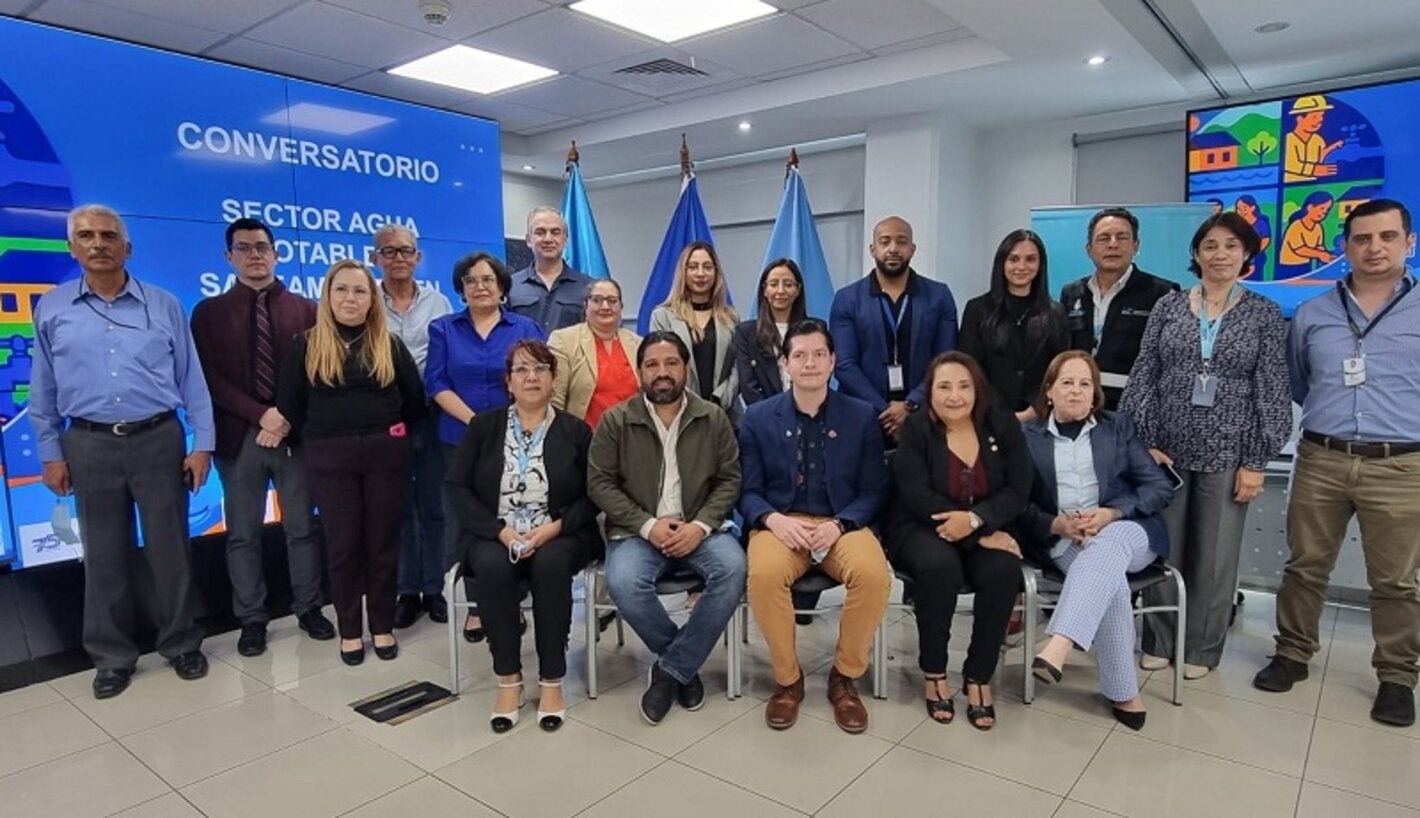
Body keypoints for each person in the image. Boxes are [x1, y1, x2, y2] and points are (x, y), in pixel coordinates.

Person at [31, 204, 214, 699]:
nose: (98, 244)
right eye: (86, 236)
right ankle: (112, 657)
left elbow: (191, 379)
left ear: (126, 247)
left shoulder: (164, 305)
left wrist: (204, 445)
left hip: (159, 438)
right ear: (72, 247)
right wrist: (50, 452)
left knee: (170, 550)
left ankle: (180, 643)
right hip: (87, 443)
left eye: (108, 235)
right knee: (104, 555)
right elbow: (42, 387)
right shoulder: (52, 308)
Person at [1254, 198, 1420, 728]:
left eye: (1387, 237)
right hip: (1322, 457)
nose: (1375, 248)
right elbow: (1301, 381)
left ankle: (1396, 677)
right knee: (1305, 566)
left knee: (1395, 580)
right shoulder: (1313, 313)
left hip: (1400, 465)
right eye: (1363, 239)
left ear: (1408, 243)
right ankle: (1293, 654)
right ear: (1344, 247)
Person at [1120, 212, 1290, 678]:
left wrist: (1256, 459)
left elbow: (1272, 389)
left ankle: (1199, 650)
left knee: (1214, 557)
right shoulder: (1169, 307)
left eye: (1232, 247)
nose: (1220, 255)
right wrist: (1144, 442)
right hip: (1166, 452)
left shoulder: (1263, 314)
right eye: (1211, 245)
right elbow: (1144, 376)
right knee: (1161, 550)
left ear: (1247, 255)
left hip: (1229, 453)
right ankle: (1157, 639)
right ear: (1196, 253)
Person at [191, 217, 333, 657]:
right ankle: (251, 618)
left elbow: (317, 373)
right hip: (238, 437)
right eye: (244, 247)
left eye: (262, 246)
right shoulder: (208, 312)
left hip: (293, 437)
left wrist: (285, 417)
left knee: (301, 529)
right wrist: (261, 415)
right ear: (228, 256)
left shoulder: (307, 309)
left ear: (275, 253)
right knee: (242, 534)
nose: (254, 254)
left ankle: (308, 607)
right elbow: (207, 379)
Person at [587, 331, 746, 725]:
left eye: (671, 363)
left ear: (685, 369)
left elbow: (730, 479)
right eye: (652, 365)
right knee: (623, 581)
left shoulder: (712, 417)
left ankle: (669, 670)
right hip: (637, 530)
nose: (662, 373)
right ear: (640, 372)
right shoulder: (616, 420)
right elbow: (599, 483)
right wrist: (647, 525)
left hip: (699, 526)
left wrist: (701, 526)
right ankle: (684, 666)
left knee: (733, 568)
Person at [740, 320, 889, 733]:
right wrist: (773, 519)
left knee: (874, 574)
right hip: (780, 523)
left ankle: (845, 677)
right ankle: (788, 681)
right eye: (800, 356)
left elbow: (874, 490)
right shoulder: (757, 417)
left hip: (841, 522)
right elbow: (747, 491)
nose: (810, 364)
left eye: (819, 355)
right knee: (765, 574)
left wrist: (841, 525)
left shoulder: (861, 416)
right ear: (785, 363)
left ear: (833, 361)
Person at [445, 340, 601, 733]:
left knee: (551, 564)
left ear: (553, 379)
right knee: (492, 566)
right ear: (509, 381)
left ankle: (551, 681)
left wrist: (554, 527)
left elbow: (593, 494)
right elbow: (457, 487)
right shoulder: (484, 427)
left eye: (540, 369)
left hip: (559, 532)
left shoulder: (576, 431)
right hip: (494, 532)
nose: (531, 377)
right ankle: (509, 679)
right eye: (522, 370)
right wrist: (499, 531)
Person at [276, 260, 425, 665]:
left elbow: (413, 402)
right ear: (327, 296)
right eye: (341, 290)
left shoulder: (389, 345)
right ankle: (350, 630)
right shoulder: (305, 345)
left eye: (360, 291)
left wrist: (387, 434)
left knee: (381, 545)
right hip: (329, 459)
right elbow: (290, 406)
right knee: (343, 547)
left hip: (385, 456)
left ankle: (381, 625)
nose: (350, 298)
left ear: (372, 299)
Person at [1018, 351, 1175, 730]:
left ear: (1095, 393)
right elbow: (1015, 503)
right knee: (1111, 583)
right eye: (1067, 383)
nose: (1076, 391)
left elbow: (1158, 486)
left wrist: (1111, 514)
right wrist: (1056, 525)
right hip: (1066, 540)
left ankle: (1059, 644)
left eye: (1085, 383)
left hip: (1128, 532)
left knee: (1107, 546)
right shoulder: (1027, 437)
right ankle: (1124, 691)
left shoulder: (1118, 427)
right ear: (1049, 392)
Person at [886, 351, 1030, 729]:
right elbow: (914, 493)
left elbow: (1018, 489)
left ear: (977, 389)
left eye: (964, 386)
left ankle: (978, 676)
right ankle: (934, 672)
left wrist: (976, 521)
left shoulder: (1001, 424)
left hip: (983, 525)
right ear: (929, 392)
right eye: (944, 387)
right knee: (940, 568)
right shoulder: (917, 429)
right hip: (920, 525)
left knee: (1003, 571)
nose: (955, 396)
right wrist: (969, 527)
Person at [426, 252, 545, 642]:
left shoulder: (524, 326)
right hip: (459, 439)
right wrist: (477, 424)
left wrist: (508, 423)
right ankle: (477, 606)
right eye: (471, 280)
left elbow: (535, 378)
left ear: (502, 287)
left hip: (517, 438)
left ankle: (514, 597)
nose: (480, 286)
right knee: (468, 523)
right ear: (460, 288)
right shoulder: (444, 328)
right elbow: (437, 383)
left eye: (488, 279)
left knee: (516, 516)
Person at [371, 224, 455, 630]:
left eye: (405, 251)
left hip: (433, 415)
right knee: (400, 508)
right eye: (389, 252)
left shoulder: (439, 303)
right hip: (385, 419)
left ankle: (435, 587)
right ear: (376, 259)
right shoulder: (366, 303)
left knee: (435, 506)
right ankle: (407, 590)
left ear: (418, 257)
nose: (398, 258)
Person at [831, 216, 958, 442]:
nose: (893, 248)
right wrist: (887, 412)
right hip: (862, 417)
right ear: (872, 249)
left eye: (901, 241)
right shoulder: (847, 299)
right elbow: (844, 365)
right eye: (885, 241)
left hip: (926, 416)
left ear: (912, 249)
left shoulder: (939, 296)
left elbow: (946, 360)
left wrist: (911, 405)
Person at [1060, 207, 1179, 409]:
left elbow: (1170, 362)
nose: (1113, 244)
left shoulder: (1162, 294)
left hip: (1135, 408)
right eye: (1104, 238)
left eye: (1121, 237)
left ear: (1136, 246)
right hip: (1078, 405)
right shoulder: (1072, 293)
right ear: (1089, 249)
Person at [958, 229, 1070, 422]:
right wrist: (998, 412)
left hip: (1040, 417)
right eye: (1014, 259)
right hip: (988, 417)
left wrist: (1034, 408)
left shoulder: (1056, 313)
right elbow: (969, 367)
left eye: (1030, 259)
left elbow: (1060, 369)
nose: (1021, 266)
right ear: (1002, 263)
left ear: (1040, 265)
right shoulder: (977, 309)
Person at [649, 241, 740, 422]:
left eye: (707, 267)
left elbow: (738, 367)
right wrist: (692, 405)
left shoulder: (731, 318)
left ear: (716, 273)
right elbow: (661, 365)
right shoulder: (663, 316)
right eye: (693, 267)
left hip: (724, 416)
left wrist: (719, 400)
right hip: (678, 416)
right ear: (683, 272)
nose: (700, 273)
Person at [547, 278, 641, 429]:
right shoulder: (564, 341)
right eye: (597, 300)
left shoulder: (638, 344)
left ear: (621, 307)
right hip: (585, 441)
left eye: (612, 300)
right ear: (585, 305)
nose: (605, 306)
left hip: (633, 439)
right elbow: (554, 401)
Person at [732, 258, 808, 407]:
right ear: (764, 290)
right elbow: (749, 387)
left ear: (798, 290)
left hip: (809, 415)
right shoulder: (746, 332)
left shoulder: (814, 329)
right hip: (765, 420)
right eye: (773, 284)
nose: (780, 291)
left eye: (788, 284)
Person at [506, 206, 593, 333]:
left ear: (565, 239)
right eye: (540, 232)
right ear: (529, 240)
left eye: (555, 232)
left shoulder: (588, 287)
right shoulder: (510, 287)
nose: (548, 239)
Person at [1276, 191, 1337, 279]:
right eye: (1322, 208)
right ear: (1310, 207)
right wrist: (1320, 255)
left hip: (1305, 265)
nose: (1324, 212)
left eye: (1327, 210)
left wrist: (1327, 256)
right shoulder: (1296, 226)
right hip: (1288, 267)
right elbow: (1300, 249)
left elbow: (1319, 246)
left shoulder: (1318, 227)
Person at [1235, 195, 1272, 277]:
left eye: (1244, 207)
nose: (1241, 211)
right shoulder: (1237, 224)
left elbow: (1266, 239)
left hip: (1256, 258)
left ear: (1252, 208)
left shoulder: (1261, 223)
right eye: (1238, 208)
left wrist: (1253, 253)